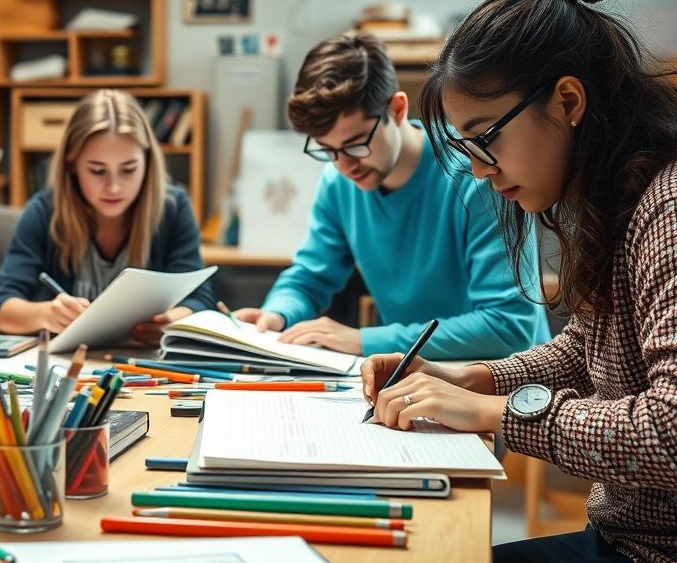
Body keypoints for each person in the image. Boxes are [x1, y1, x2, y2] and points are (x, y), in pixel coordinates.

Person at [363, 0, 677, 563]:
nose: (476, 169)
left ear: (566, 100)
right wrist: (473, 376)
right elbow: (590, 349)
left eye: (485, 138)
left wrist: (494, 411)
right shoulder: (623, 197)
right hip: (646, 543)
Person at [234, 33, 550, 359]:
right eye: (328, 150)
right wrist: (276, 314)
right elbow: (309, 277)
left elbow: (508, 326)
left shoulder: (479, 176)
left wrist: (364, 341)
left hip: (506, 387)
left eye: (356, 143)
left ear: (397, 109)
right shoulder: (339, 183)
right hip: (416, 379)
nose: (344, 165)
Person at [0, 90, 214, 342]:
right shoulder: (44, 212)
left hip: (142, 369)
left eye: (128, 170)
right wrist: (46, 314)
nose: (114, 187)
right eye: (97, 171)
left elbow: (200, 299)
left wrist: (171, 321)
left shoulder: (172, 207)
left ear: (148, 163)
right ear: (72, 164)